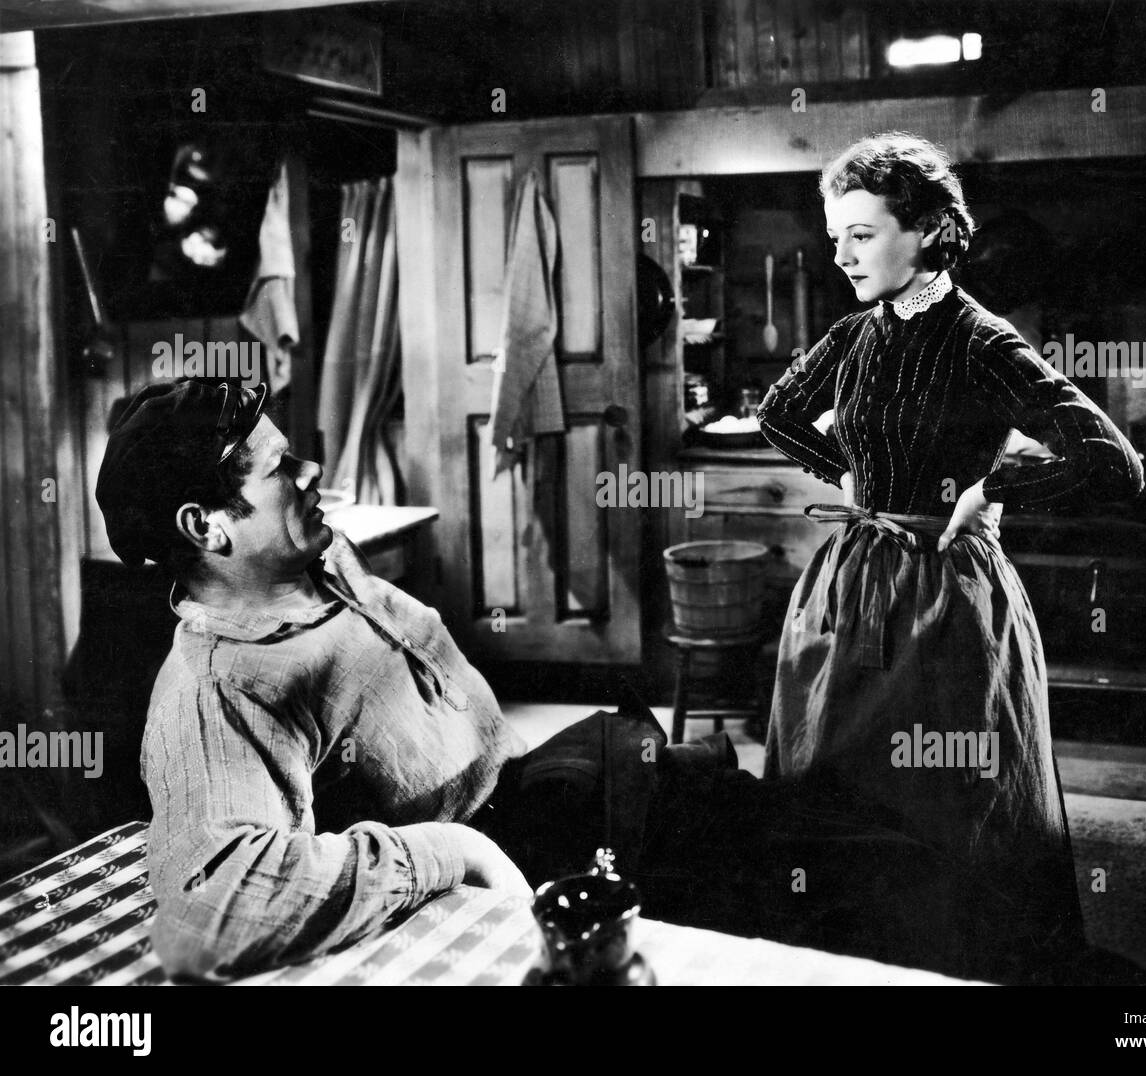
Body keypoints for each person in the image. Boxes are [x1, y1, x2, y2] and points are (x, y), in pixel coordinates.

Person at [94, 379, 789, 982]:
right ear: (206, 527)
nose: (311, 471)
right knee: (811, 915)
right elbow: (213, 914)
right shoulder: (220, 691)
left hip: (561, 793)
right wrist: (450, 849)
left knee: (817, 831)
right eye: (279, 468)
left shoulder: (319, 561)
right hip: (516, 866)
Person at [757, 132, 1145, 983]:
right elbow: (778, 414)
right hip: (848, 587)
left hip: (948, 603)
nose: (842, 255)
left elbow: (1112, 459)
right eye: (835, 237)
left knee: (945, 803)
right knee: (829, 788)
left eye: (861, 234)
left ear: (928, 228)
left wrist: (993, 487)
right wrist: (847, 469)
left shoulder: (980, 338)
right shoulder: (856, 333)